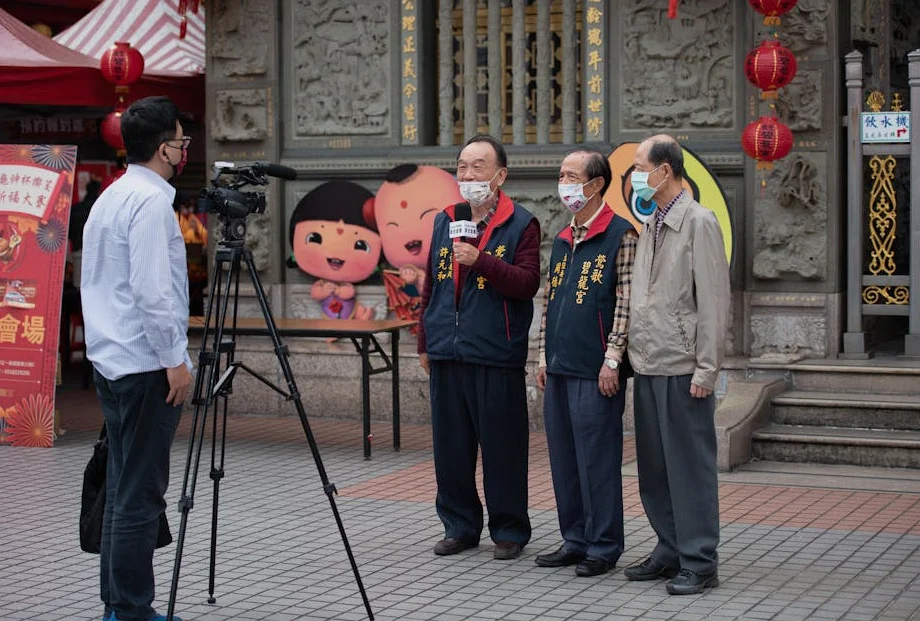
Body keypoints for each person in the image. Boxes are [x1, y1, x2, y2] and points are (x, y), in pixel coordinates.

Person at [81, 96, 192, 621]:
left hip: (112, 361)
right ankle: (130, 609)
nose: (185, 150)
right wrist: (175, 360)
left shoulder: (112, 195)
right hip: (146, 365)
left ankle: (116, 604)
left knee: (123, 487)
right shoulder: (149, 203)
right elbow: (153, 292)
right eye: (182, 142)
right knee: (140, 494)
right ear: (165, 148)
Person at [418, 133, 541, 560]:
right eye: (462, 167)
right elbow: (431, 284)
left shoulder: (521, 223)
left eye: (478, 167)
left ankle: (509, 529)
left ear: (500, 175)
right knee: (451, 449)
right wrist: (425, 340)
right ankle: (459, 526)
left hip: (495, 352)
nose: (468, 175)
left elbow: (527, 283)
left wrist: (481, 260)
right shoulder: (445, 219)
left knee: (503, 448)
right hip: (447, 352)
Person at [624, 135, 730, 595]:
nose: (634, 176)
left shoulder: (699, 222)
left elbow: (714, 302)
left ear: (664, 170)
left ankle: (700, 560)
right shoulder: (650, 223)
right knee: (655, 470)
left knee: (690, 470)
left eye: (639, 167)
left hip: (684, 367)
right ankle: (669, 549)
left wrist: (707, 370)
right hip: (649, 365)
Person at [535, 149, 637, 577]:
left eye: (571, 176)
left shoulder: (620, 235)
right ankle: (574, 540)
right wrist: (542, 354)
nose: (564, 184)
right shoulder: (563, 238)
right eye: (561, 175)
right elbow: (550, 300)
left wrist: (613, 358)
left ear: (595, 184)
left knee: (597, 460)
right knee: (564, 460)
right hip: (560, 365)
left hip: (596, 370)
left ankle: (604, 545)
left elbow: (627, 303)